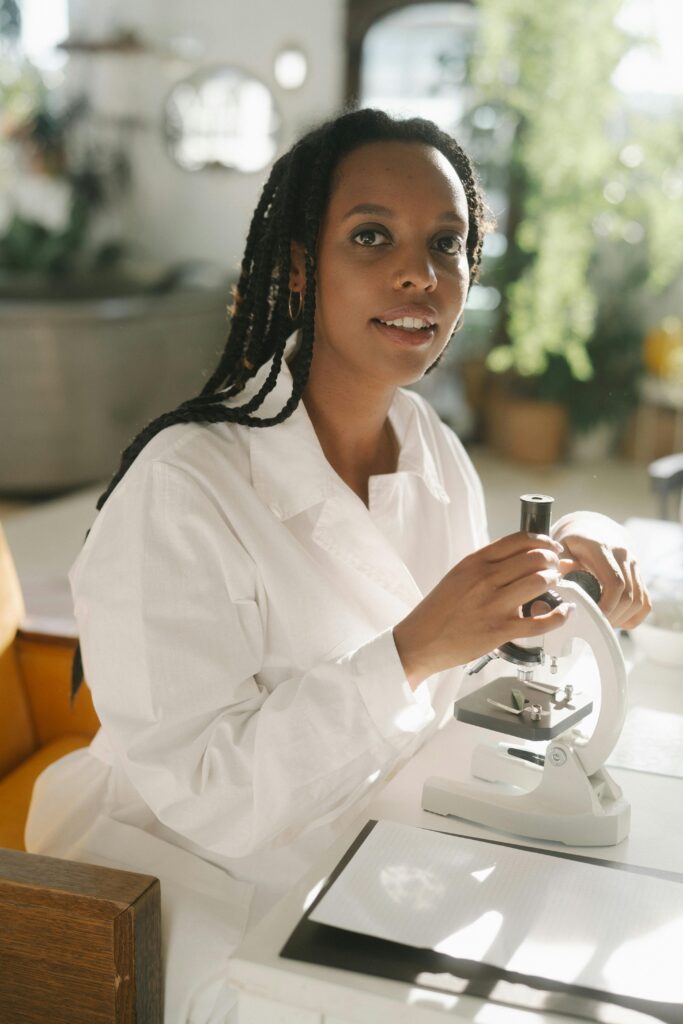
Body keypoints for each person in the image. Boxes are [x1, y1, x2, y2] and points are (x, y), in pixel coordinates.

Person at [25, 108, 650, 1023]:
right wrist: (410, 650)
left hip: (380, 834)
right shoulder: (184, 487)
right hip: (185, 883)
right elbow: (211, 797)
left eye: (447, 242)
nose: (419, 273)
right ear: (295, 266)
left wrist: (559, 573)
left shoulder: (426, 443)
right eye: (371, 236)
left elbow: (461, 669)